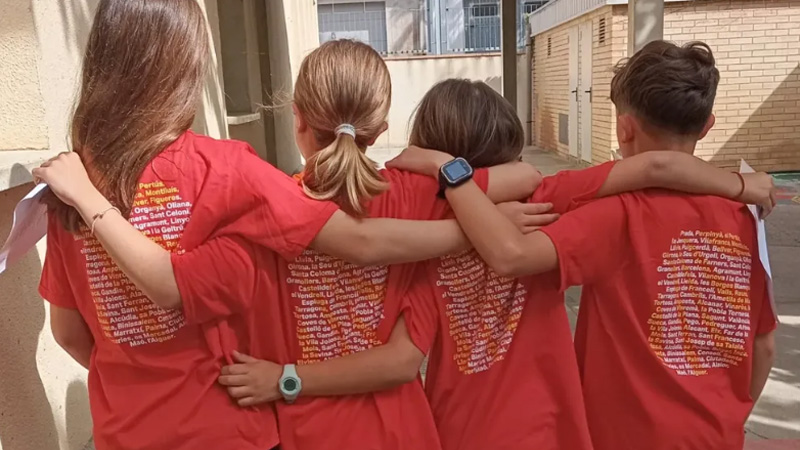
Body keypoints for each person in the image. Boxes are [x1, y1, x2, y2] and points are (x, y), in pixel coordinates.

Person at [220, 74, 776, 450]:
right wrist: (740, 185)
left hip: (460, 428)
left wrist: (433, 169)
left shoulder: (420, 235)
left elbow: (401, 357)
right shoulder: (543, 198)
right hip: (552, 424)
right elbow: (655, 167)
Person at [32, 4, 470, 450]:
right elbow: (358, 239)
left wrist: (134, 386)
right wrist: (465, 233)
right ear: (188, 67)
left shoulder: (70, 186)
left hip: (125, 430)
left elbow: (68, 334)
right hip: (226, 425)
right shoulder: (226, 170)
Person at [388, 40, 777, 450]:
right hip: (655, 429)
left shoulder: (609, 215)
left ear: (624, 128)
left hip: (498, 429)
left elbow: (407, 350)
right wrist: (739, 185)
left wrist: (443, 179)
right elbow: (764, 344)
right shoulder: (745, 220)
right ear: (708, 125)